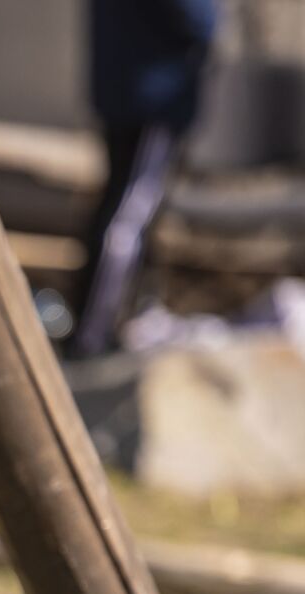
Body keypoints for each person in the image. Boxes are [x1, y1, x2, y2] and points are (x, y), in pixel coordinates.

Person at [65, 0, 217, 358]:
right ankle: (91, 332)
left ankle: (116, 322)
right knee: (129, 211)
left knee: (123, 205)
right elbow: (196, 17)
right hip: (152, 88)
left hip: (125, 80)